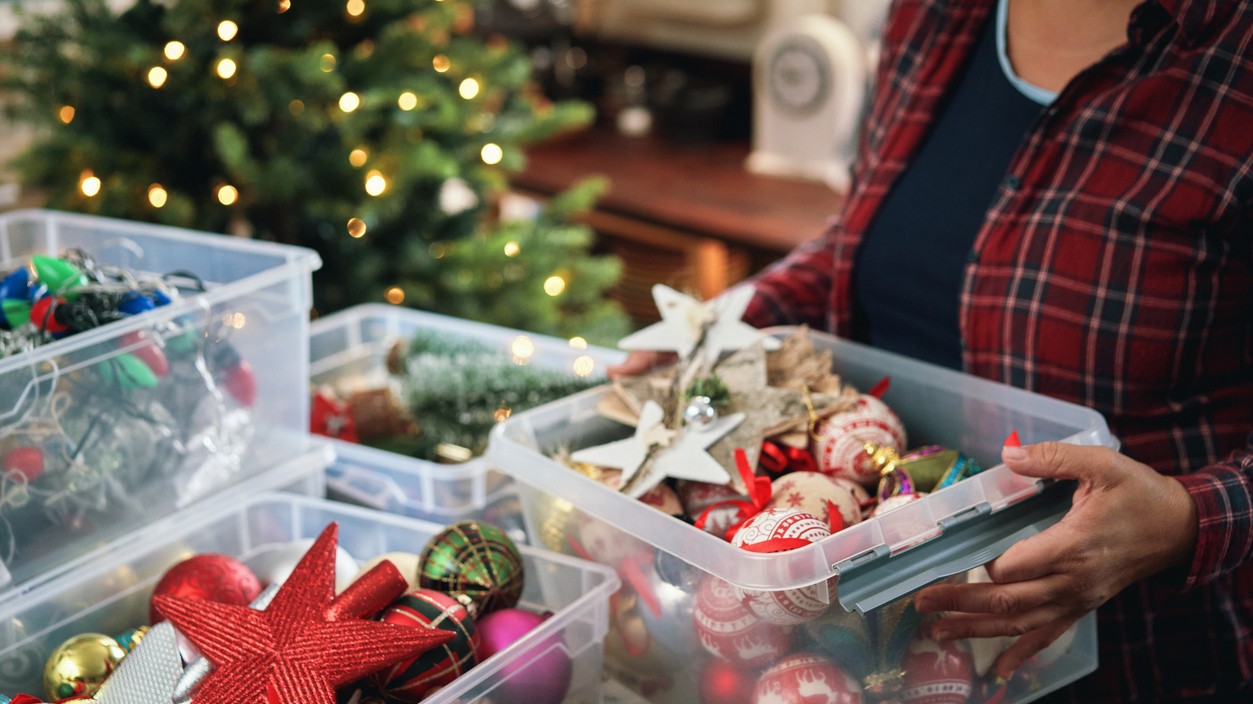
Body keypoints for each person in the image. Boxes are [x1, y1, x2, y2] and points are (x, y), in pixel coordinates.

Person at [608, 0, 1251, 700]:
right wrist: (733, 318)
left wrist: (1189, 517)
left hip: (1144, 658)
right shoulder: (930, 12)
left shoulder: (1231, 55)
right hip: (883, 648)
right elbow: (862, 242)